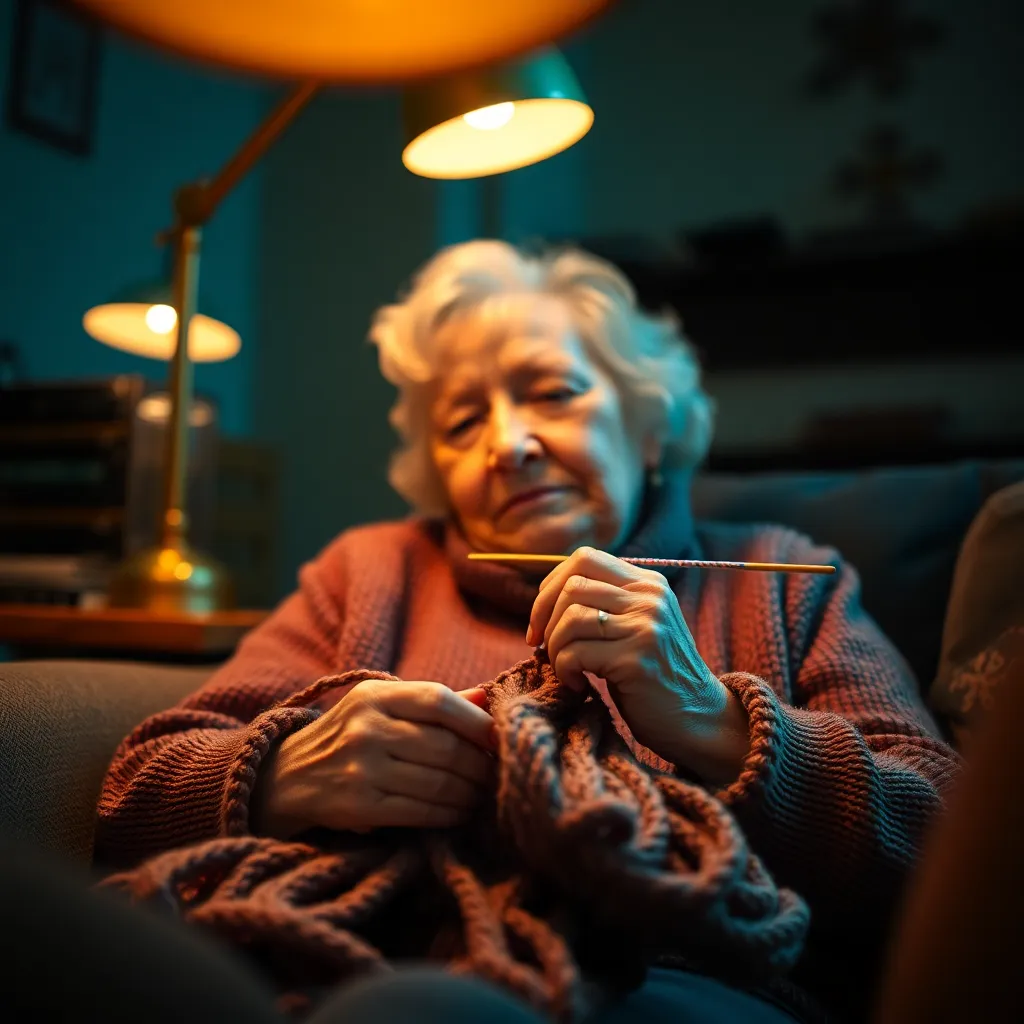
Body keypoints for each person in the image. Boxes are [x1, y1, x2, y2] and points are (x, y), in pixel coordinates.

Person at [95, 240, 959, 1022]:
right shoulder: (369, 572)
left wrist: (711, 721)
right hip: (354, 967)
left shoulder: (785, 578)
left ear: (649, 424)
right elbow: (132, 795)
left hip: (683, 987)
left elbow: (950, 853)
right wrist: (284, 772)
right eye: (463, 423)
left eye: (553, 391)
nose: (508, 444)